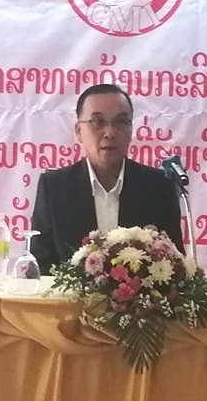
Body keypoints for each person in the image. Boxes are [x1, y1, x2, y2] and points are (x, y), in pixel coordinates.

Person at [27, 84, 186, 273]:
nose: (110, 133)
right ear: (79, 131)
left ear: (131, 129)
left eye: (121, 122)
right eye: (97, 122)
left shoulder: (159, 187)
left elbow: (175, 264)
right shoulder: (54, 187)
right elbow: (39, 265)